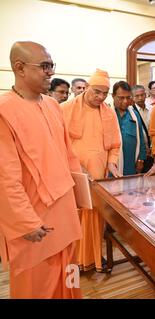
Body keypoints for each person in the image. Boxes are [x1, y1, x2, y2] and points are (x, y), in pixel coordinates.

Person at [0, 41, 82, 298]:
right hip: (35, 221)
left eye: (51, 66)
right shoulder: (4, 111)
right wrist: (26, 222)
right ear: (19, 68)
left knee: (70, 276)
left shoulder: (52, 105)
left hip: (65, 212)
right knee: (37, 286)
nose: (50, 72)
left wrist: (80, 195)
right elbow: (5, 177)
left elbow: (69, 156)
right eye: (44, 66)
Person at [61, 68, 121, 273]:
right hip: (73, 174)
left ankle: (93, 258)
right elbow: (58, 143)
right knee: (75, 217)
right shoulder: (65, 108)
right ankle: (74, 259)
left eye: (105, 93)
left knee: (95, 218)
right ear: (86, 87)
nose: (101, 97)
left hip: (98, 174)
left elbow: (115, 144)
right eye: (97, 91)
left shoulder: (108, 112)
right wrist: (77, 167)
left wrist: (112, 162)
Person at [112, 81, 146, 176]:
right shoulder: (107, 114)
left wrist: (141, 160)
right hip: (112, 165)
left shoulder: (134, 115)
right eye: (121, 98)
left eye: (128, 97)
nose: (125, 101)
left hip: (131, 164)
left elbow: (141, 138)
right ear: (113, 96)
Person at [132, 84, 153, 173]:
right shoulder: (131, 111)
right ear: (132, 97)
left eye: (142, 95)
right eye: (137, 96)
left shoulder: (152, 109)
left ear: (146, 95)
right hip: (138, 152)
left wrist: (152, 147)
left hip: (151, 150)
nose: (140, 98)